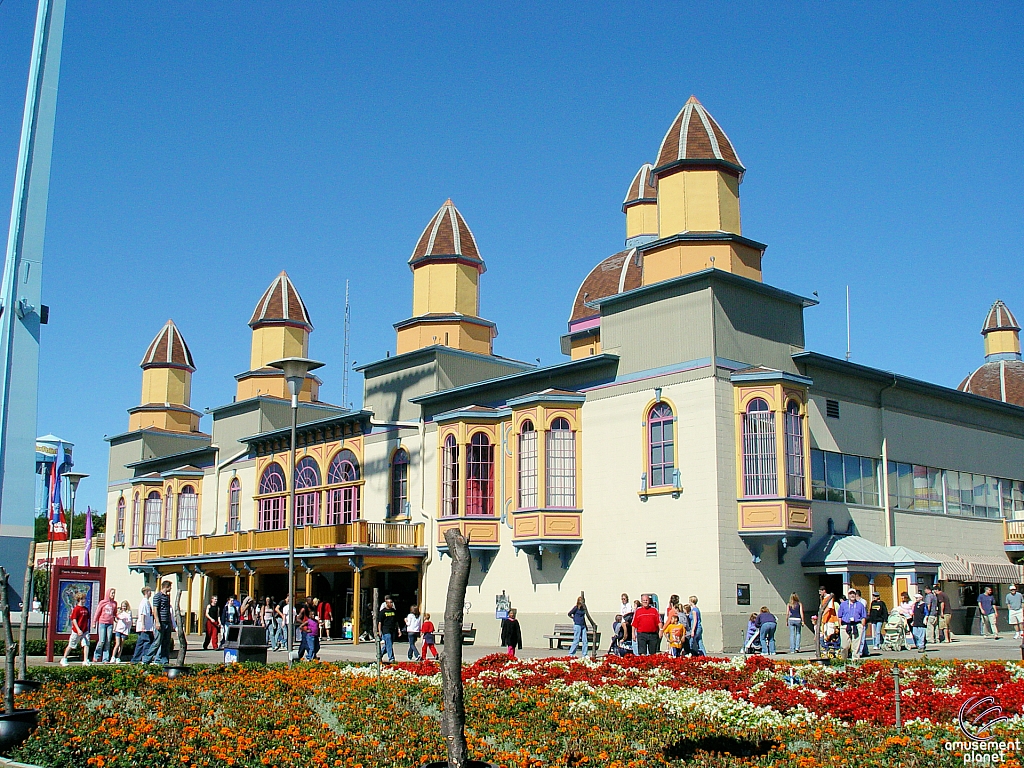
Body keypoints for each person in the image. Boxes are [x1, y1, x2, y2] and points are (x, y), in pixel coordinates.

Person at [142, 580, 175, 665]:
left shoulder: (167, 597)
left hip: (167, 622)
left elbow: (167, 610)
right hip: (161, 622)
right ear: (166, 587)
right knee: (157, 642)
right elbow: (155, 609)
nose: (171, 588)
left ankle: (164, 660)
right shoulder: (157, 596)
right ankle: (146, 659)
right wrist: (157, 622)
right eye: (170, 587)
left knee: (166, 643)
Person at [60, 592, 92, 667]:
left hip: (85, 631)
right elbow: (74, 620)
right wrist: (78, 630)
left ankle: (85, 660)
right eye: (84, 598)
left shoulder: (86, 609)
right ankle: (64, 658)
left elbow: (87, 619)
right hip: (76, 631)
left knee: (86, 644)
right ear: (80, 599)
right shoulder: (76, 609)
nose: (85, 600)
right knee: (71, 645)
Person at [837, 589, 866, 660]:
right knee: (844, 646)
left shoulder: (860, 605)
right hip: (845, 625)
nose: (852, 595)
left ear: (856, 595)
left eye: (854, 594)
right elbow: (839, 616)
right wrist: (840, 626)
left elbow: (863, 616)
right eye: (850, 594)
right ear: (848, 595)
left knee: (856, 646)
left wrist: (862, 626)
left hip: (857, 625)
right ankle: (844, 660)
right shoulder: (843, 604)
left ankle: (855, 661)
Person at [131, 587, 155, 663]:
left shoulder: (147, 602)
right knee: (146, 642)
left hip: (148, 627)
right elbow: (143, 614)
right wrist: (143, 625)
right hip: (145, 627)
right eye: (150, 591)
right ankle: (145, 658)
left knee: (141, 644)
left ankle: (136, 659)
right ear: (146, 592)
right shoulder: (144, 602)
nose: (151, 593)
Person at [93, 588, 117, 663]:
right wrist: (94, 622)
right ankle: (96, 656)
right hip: (102, 623)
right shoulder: (103, 602)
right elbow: (97, 612)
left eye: (114, 593)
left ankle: (105, 658)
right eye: (112, 593)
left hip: (110, 624)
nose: (113, 595)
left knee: (108, 641)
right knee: (102, 641)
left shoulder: (114, 603)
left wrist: (118, 617)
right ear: (108, 593)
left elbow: (114, 613)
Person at [377, 595, 400, 662]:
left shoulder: (394, 611)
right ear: (386, 603)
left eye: (392, 602)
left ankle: (379, 654)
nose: (392, 604)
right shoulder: (383, 612)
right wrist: (380, 631)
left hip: (393, 630)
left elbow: (396, 621)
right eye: (390, 602)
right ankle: (391, 658)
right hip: (386, 630)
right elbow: (380, 623)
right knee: (389, 644)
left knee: (388, 644)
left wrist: (398, 629)